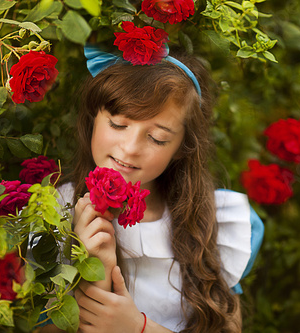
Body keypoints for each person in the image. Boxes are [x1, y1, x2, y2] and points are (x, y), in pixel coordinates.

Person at [38, 45, 264, 333]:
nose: (130, 149)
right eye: (119, 124)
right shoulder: (54, 209)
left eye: (157, 138)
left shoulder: (211, 220)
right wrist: (96, 267)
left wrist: (138, 328)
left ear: (181, 147)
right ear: (93, 116)